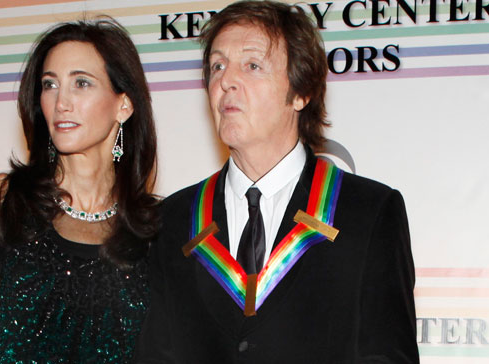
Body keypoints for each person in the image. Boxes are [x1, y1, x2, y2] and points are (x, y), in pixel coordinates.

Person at [136, 1, 418, 363]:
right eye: (217, 66)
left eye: (252, 65)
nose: (226, 81)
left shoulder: (369, 211)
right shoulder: (172, 220)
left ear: (301, 93)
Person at [0, 18, 158, 364]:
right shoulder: (1, 202)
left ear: (123, 105)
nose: (61, 101)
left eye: (81, 83)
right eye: (50, 85)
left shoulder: (156, 230)